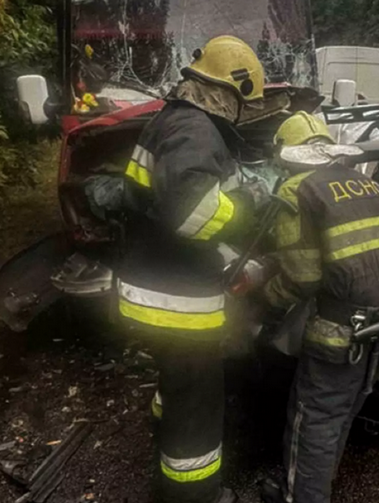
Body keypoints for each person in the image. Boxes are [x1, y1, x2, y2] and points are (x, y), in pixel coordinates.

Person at [118, 35, 269, 503]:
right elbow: (193, 216)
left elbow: (157, 214)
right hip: (178, 302)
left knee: (175, 378)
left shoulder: (170, 121)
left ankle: (164, 422)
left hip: (153, 286)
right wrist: (250, 200)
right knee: (198, 401)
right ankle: (196, 494)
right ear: (234, 91)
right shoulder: (196, 131)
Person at [257, 112, 379, 503]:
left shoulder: (297, 191)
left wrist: (265, 302)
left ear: (289, 155)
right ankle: (313, 486)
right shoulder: (368, 184)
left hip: (344, 333)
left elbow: (303, 277)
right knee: (343, 411)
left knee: (313, 422)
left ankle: (300, 497)